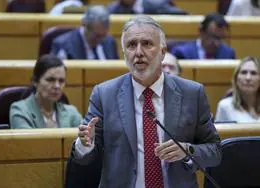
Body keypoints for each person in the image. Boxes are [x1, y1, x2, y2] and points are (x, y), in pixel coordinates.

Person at [72, 15, 221, 188]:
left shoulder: (192, 93)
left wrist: (188, 150)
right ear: (124, 53)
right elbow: (85, 157)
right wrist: (84, 145)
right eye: (131, 45)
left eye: (147, 44)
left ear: (162, 52)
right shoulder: (104, 94)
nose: (138, 52)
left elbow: (215, 151)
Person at [10, 54, 83, 129]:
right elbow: (28, 141)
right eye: (50, 80)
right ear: (35, 81)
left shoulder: (72, 113)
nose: (57, 86)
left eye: (61, 81)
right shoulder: (20, 110)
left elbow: (85, 139)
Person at [51, 5, 119, 60]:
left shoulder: (110, 41)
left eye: (103, 35)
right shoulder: (63, 45)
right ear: (84, 25)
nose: (100, 40)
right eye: (97, 36)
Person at [171, 12, 236, 59]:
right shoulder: (182, 53)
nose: (216, 43)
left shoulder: (229, 54)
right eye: (213, 37)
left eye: (220, 38)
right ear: (201, 32)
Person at [215, 57, 260, 123]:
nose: (248, 78)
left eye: (253, 73)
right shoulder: (225, 106)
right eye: (244, 72)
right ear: (236, 79)